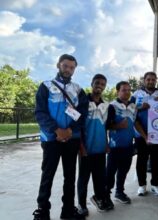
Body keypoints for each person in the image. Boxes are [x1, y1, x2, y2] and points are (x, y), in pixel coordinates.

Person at [33, 54, 88, 220]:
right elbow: (40, 112)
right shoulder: (46, 86)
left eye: (71, 67)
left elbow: (83, 114)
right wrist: (56, 130)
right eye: (65, 66)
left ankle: (68, 210)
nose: (68, 70)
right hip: (51, 139)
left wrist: (70, 130)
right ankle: (42, 211)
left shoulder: (78, 90)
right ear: (58, 65)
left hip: (72, 139)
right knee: (47, 175)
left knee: (70, 176)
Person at [131, 71, 158, 196]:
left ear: (156, 80)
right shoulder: (136, 94)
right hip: (141, 134)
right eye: (148, 79)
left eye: (153, 79)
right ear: (144, 80)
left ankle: (155, 185)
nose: (151, 81)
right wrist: (140, 107)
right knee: (141, 160)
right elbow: (130, 109)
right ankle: (142, 186)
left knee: (157, 161)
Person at [77, 74, 109, 216]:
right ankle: (82, 205)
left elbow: (106, 127)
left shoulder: (106, 106)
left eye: (102, 84)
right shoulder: (82, 102)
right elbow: (77, 125)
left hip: (100, 148)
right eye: (97, 83)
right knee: (83, 178)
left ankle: (100, 199)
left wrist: (107, 143)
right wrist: (81, 146)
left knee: (99, 177)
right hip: (86, 149)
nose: (99, 86)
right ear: (91, 83)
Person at [105, 81, 136, 206]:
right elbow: (106, 125)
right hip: (114, 147)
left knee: (123, 171)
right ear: (117, 91)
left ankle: (119, 192)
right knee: (110, 173)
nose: (127, 92)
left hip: (128, 146)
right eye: (124, 90)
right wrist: (118, 126)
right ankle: (106, 195)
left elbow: (136, 122)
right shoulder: (112, 106)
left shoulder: (133, 106)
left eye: (129, 90)